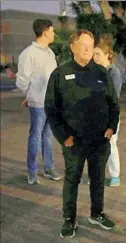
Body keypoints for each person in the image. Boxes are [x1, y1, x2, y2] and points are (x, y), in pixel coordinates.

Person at [44, 30, 119, 238]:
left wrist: (112, 127)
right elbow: (51, 108)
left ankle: (97, 213)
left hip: (100, 140)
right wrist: (63, 136)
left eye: (91, 44)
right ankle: (69, 219)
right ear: (72, 47)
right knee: (72, 180)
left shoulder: (102, 73)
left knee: (97, 179)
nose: (88, 48)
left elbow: (114, 103)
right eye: (83, 44)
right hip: (73, 141)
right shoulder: (60, 74)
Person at [16, 19, 61, 184]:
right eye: (52, 30)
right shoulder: (29, 54)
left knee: (48, 137)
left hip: (51, 103)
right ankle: (32, 172)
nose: (54, 33)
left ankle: (49, 169)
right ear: (45, 32)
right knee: (35, 136)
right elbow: (22, 80)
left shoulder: (49, 53)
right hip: (38, 104)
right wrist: (29, 96)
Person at [92, 36, 123, 187]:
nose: (94, 57)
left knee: (111, 144)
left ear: (107, 55)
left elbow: (113, 97)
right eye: (93, 54)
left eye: (97, 54)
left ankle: (115, 175)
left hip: (110, 115)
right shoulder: (95, 71)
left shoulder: (113, 73)